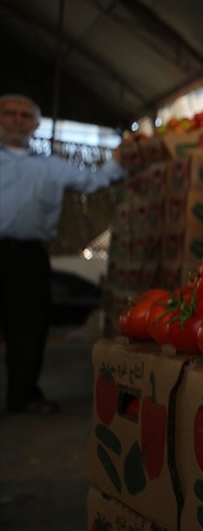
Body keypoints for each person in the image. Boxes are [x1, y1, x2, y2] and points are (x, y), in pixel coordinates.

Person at [0, 94, 128, 414]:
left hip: (29, 255)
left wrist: (119, 158)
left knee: (30, 327)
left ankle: (23, 395)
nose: (17, 120)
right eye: (10, 114)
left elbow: (94, 180)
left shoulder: (52, 167)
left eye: (24, 116)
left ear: (36, 124)